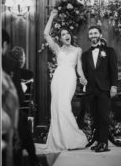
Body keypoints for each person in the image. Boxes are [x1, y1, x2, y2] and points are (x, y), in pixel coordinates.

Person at [36, 9, 88, 152]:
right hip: (58, 78)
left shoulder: (78, 50)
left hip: (70, 78)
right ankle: (60, 140)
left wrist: (82, 78)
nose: (66, 35)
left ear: (70, 36)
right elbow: (46, 34)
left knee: (64, 106)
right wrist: (52, 17)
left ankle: (73, 138)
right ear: (60, 38)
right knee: (57, 107)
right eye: (63, 34)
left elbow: (79, 68)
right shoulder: (57, 49)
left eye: (67, 34)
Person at [2, 30, 41, 166]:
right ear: (5, 44)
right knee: (22, 122)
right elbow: (18, 94)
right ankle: (33, 159)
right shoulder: (12, 65)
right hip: (7, 111)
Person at [81, 25, 118, 152]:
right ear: (89, 37)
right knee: (95, 117)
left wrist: (113, 86)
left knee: (104, 117)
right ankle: (99, 142)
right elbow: (84, 73)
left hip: (104, 89)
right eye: (91, 34)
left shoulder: (109, 51)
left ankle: (104, 143)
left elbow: (114, 71)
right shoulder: (85, 55)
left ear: (100, 35)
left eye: (95, 33)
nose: (93, 35)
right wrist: (82, 81)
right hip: (91, 90)